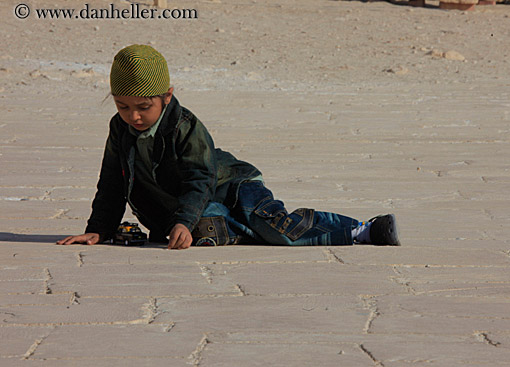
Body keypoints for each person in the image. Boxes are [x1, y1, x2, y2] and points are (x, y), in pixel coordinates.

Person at [57, 45, 400, 250]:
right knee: (206, 231)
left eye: (144, 107)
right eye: (122, 106)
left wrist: (182, 218)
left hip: (232, 186)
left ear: (167, 96)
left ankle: (362, 230)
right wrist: (98, 229)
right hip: (193, 210)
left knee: (275, 229)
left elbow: (201, 177)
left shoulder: (185, 127)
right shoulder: (120, 130)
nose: (133, 116)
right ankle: (223, 228)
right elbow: (112, 182)